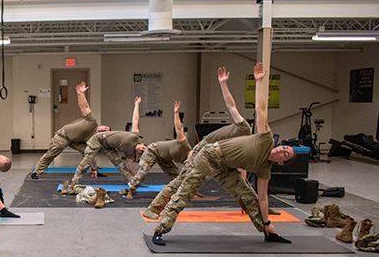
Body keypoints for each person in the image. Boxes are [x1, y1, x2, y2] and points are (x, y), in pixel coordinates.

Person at [152, 63, 295, 246]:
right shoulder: (265, 139)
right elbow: (258, 110)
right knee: (186, 192)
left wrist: (267, 221)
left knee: (249, 197)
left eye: (285, 154)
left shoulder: (264, 170)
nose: (281, 150)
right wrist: (258, 82)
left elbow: (262, 197)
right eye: (283, 148)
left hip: (225, 167)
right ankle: (160, 230)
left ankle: (268, 231)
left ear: (281, 163)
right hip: (210, 156)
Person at [142, 66, 251, 218]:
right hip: (202, 150)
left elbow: (241, 171)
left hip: (215, 157)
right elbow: (230, 105)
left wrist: (245, 201)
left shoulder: (244, 148)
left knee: (238, 183)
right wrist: (223, 84)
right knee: (180, 182)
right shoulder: (244, 128)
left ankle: (256, 209)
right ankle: (153, 208)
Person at [66, 96, 147, 193]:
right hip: (97, 139)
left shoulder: (130, 154)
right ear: (142, 144)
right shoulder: (134, 136)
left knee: (121, 165)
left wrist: (138, 178)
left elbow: (132, 167)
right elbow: (135, 120)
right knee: (86, 162)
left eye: (142, 152)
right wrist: (137, 104)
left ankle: (134, 183)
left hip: (108, 146)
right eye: (143, 148)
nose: (142, 150)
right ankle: (74, 184)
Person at [30, 81, 110, 179]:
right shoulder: (92, 121)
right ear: (102, 125)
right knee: (51, 154)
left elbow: (93, 153)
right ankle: (36, 172)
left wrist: (94, 169)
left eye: (105, 131)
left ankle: (94, 171)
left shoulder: (95, 138)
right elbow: (84, 106)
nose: (104, 130)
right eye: (105, 128)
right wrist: (80, 93)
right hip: (63, 136)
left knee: (91, 152)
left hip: (75, 141)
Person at [124, 100, 190, 199]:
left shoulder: (189, 160)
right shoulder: (184, 143)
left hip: (165, 158)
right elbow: (178, 128)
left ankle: (185, 192)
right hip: (153, 151)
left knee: (176, 175)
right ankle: (131, 189)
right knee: (142, 173)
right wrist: (176, 113)